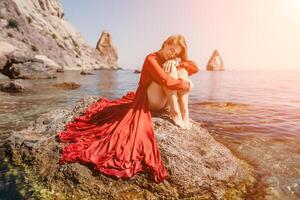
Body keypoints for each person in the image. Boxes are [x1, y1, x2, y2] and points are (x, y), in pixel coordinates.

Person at [58, 34, 199, 183]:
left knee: (182, 71)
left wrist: (179, 63)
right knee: (171, 73)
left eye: (176, 52)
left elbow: (195, 68)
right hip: (149, 101)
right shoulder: (151, 59)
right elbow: (166, 82)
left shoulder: (171, 59)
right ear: (164, 44)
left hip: (162, 100)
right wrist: (188, 84)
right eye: (171, 49)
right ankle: (175, 112)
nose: (172, 54)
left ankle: (185, 113)